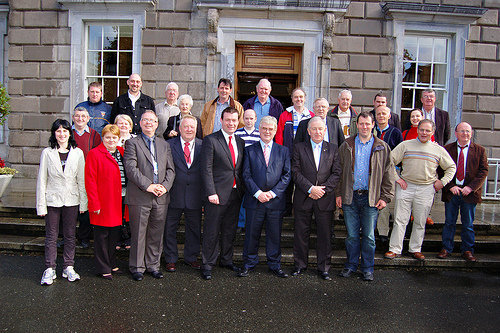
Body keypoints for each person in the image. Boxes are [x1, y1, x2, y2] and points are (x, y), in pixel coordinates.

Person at [385, 119, 456, 261]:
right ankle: (395, 249)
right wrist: (396, 178)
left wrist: (442, 182)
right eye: (422, 129)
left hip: (426, 189)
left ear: (432, 132)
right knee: (400, 220)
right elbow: (389, 161)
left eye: (427, 130)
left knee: (420, 221)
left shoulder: (438, 150)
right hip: (406, 186)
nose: (424, 133)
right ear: (418, 130)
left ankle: (415, 249)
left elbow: (451, 167)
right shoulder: (405, 145)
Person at [336, 112, 394, 281]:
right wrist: (338, 194)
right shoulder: (346, 145)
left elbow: (389, 174)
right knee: (352, 236)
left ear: (373, 124)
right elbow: (338, 172)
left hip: (371, 198)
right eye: (361, 124)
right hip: (350, 197)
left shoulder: (382, 147)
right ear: (357, 125)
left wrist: (385, 197)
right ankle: (351, 266)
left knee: (369, 236)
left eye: (367, 124)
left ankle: (368, 268)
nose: (364, 127)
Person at [124, 110, 175, 281]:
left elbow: (170, 170)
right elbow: (131, 169)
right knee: (138, 233)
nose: (149, 123)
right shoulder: (132, 143)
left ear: (157, 124)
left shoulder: (164, 145)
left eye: (152, 121)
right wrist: (149, 185)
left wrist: (164, 187)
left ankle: (153, 265)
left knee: (156, 233)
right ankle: (137, 267)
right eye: (145, 120)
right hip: (140, 195)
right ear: (140, 123)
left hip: (160, 197)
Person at [238, 116, 291, 278]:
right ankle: (249, 263)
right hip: (255, 200)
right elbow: (245, 175)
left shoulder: (283, 151)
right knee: (251, 234)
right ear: (259, 130)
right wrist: (258, 193)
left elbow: (287, 175)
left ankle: (274, 264)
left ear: (275, 131)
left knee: (274, 235)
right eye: (264, 128)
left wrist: (273, 193)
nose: (267, 131)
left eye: (271, 129)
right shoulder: (249, 150)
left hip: (275, 201)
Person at [37, 119, 87, 285]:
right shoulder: (47, 153)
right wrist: (41, 205)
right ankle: (50, 268)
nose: (62, 134)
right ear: (54, 134)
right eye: (58, 131)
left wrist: (83, 203)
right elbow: (42, 180)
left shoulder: (77, 153)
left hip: (71, 199)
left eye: (65, 131)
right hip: (52, 199)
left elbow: (81, 179)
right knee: (51, 235)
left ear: (69, 133)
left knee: (70, 235)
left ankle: (68, 266)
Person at [290, 116, 341, 280]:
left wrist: (322, 190)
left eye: (321, 129)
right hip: (304, 197)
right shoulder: (298, 148)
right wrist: (310, 188)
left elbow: (337, 173)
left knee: (325, 235)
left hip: (325, 199)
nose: (318, 132)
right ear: (309, 131)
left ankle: (324, 268)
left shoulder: (333, 148)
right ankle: (299, 265)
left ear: (325, 130)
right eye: (314, 129)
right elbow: (295, 172)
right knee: (300, 234)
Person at [200, 107, 245, 280]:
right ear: (221, 120)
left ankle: (226, 260)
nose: (231, 123)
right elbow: (206, 169)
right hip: (216, 195)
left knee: (229, 230)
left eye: (234, 120)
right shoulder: (211, 140)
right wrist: (211, 192)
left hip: (235, 193)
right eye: (228, 120)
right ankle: (207, 264)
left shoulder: (240, 141)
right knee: (212, 230)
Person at [437, 122, 488, 262]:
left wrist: (471, 187)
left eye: (467, 131)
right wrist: (450, 186)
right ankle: (446, 248)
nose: (465, 134)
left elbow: (483, 172)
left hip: (469, 193)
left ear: (471, 133)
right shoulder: (447, 149)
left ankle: (467, 250)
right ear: (456, 133)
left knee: (468, 224)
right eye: (462, 131)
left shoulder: (480, 150)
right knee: (449, 222)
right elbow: (440, 169)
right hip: (452, 191)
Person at [163, 115, 203, 272]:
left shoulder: (203, 145)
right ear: (179, 129)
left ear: (196, 128)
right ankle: (171, 259)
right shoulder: (168, 145)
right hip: (174, 193)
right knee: (169, 228)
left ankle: (191, 257)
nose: (189, 129)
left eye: (192, 127)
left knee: (194, 228)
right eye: (185, 126)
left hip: (195, 194)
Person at [85, 124, 125, 279]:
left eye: (114, 137)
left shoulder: (121, 152)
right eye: (108, 137)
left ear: (118, 139)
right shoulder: (94, 154)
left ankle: (112, 263)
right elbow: (90, 180)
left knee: (114, 235)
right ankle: (103, 267)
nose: (111, 140)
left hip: (118, 199)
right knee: (102, 236)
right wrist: (94, 203)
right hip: (103, 201)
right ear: (103, 138)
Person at [72, 106, 102, 249]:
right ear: (73, 118)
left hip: (87, 174)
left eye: (83, 116)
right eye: (77, 116)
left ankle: (83, 237)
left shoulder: (94, 135)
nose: (80, 119)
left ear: (88, 119)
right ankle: (67, 237)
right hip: (70, 175)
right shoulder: (67, 133)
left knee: (85, 208)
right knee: (69, 208)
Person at [374, 105, 403, 244]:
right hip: (371, 171)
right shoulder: (371, 130)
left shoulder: (395, 132)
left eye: (384, 113)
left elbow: (400, 152)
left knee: (384, 200)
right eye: (378, 113)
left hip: (388, 170)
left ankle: (383, 231)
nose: (381, 116)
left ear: (389, 116)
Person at [234, 109, 260, 232]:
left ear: (255, 119)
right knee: (241, 196)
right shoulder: (237, 133)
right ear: (243, 119)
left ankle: (251, 222)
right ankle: (240, 222)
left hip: (255, 171)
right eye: (247, 118)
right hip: (239, 169)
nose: (249, 121)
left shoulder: (260, 134)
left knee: (252, 196)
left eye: (251, 118)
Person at [114, 114, 135, 250]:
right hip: (115, 183)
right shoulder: (111, 140)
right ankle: (118, 237)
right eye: (120, 123)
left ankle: (129, 237)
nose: (123, 126)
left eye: (126, 123)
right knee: (117, 210)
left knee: (129, 211)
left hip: (132, 183)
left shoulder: (136, 140)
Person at [275, 87, 314, 155]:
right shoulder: (284, 115)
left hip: (307, 153)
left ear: (305, 99)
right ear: (292, 99)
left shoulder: (311, 116)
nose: (299, 99)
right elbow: (279, 135)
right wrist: (280, 151)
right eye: (296, 97)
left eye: (301, 97)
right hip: (289, 152)